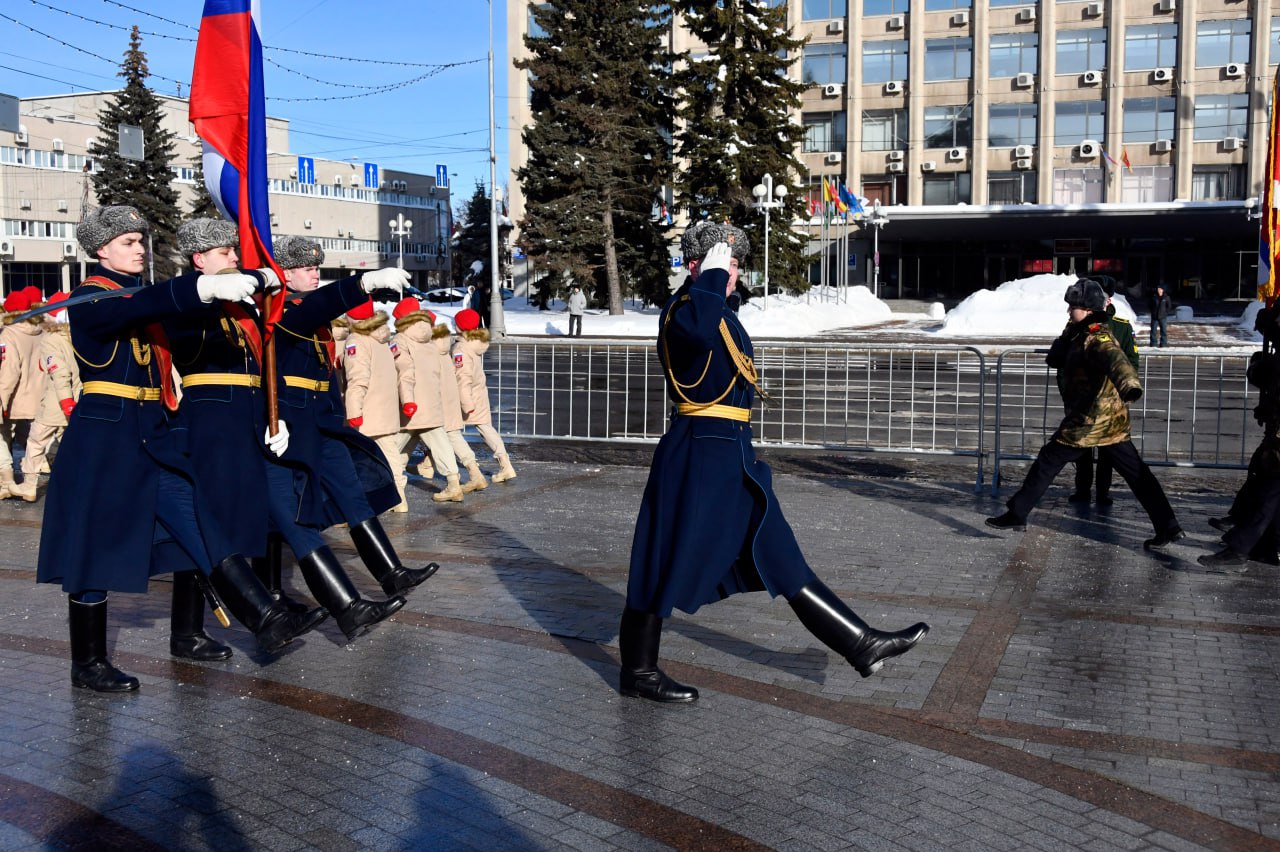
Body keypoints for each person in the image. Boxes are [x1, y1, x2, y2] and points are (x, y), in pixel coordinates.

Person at [623, 221, 929, 703]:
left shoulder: (716, 310)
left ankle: (862, 643)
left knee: (778, 552)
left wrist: (719, 282)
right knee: (663, 559)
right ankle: (638, 670)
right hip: (699, 454)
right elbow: (699, 331)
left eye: (736, 262)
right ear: (697, 266)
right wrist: (709, 276)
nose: (732, 271)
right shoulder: (686, 310)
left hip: (731, 452)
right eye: (724, 262)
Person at [36, 206, 326, 692]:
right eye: (128, 243)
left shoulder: (141, 294)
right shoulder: (90, 295)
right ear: (101, 250)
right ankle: (87, 663)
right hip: (105, 436)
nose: (139, 249)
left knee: (198, 515)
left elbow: (176, 310)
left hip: (152, 430)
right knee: (93, 545)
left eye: (140, 241)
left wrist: (243, 284)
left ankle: (265, 617)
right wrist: (199, 286)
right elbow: (130, 309)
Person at [167, 219, 403, 645]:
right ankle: (189, 630)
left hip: (255, 423)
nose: (236, 259)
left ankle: (346, 607)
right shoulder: (184, 303)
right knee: (202, 524)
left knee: (285, 512)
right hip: (210, 426)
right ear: (199, 260)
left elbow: (299, 322)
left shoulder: (243, 307)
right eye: (225, 253)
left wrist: (359, 285)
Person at [270, 235, 438, 599]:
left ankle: (391, 572)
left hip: (323, 417)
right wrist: (362, 285)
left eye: (317, 268)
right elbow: (311, 314)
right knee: (290, 509)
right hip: (293, 419)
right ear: (284, 274)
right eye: (306, 269)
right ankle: (276, 594)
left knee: (352, 493)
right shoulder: (280, 311)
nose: (315, 275)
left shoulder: (311, 309)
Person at [986, 279, 1184, 550]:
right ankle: (1168, 526)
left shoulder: (1097, 335)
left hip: (1091, 420)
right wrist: (1066, 337)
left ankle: (1017, 513)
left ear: (1089, 310)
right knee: (1138, 474)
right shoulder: (1079, 331)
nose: (1069, 311)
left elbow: (1117, 360)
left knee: (1048, 460)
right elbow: (1059, 357)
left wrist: (1130, 386)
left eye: (1074, 307)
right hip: (1108, 421)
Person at [1069, 277, 1138, 507]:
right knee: (1081, 450)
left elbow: (1131, 362)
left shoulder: (1120, 326)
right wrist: (1069, 395)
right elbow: (1066, 366)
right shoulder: (1076, 325)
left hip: (1109, 402)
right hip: (1083, 401)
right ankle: (1082, 489)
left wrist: (1124, 391)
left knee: (1109, 452)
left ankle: (1103, 491)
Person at [391, 297, 466, 502]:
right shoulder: (431, 340)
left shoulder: (400, 341)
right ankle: (454, 484)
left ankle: (396, 496)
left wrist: (406, 401)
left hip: (411, 406)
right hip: (431, 404)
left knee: (392, 449)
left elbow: (403, 373)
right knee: (440, 444)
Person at [341, 297, 409, 512]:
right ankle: (399, 499)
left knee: (353, 461)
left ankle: (354, 507)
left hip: (366, 410)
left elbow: (357, 379)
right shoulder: (380, 338)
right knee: (390, 454)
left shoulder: (355, 340)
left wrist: (353, 411)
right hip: (385, 409)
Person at [15, 293, 77, 501]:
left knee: (36, 441)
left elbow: (59, 372)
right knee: (69, 442)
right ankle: (72, 481)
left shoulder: (51, 340)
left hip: (57, 402)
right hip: (79, 398)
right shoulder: (79, 337)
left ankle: (29, 485)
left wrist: (66, 402)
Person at [453, 308, 516, 483]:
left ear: (460, 327)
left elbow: (462, 378)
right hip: (478, 393)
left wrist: (466, 403)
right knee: (485, 428)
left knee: (447, 431)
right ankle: (505, 465)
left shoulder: (461, 348)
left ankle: (466, 470)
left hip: (466, 396)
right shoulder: (474, 344)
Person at [0, 287, 45, 499]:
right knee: (28, 436)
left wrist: (1, 398)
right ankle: (34, 473)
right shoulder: (39, 330)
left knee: (2, 436)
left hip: (15, 397)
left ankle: (6, 481)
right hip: (37, 395)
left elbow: (9, 371)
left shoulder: (9, 334)